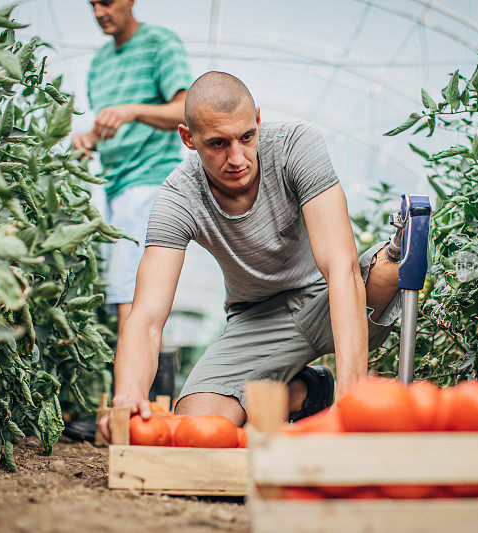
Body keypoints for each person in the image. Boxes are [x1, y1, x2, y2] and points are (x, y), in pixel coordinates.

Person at [100, 72, 401, 438]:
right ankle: (303, 392)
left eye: (246, 136)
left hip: (330, 298)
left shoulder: (296, 146)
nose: (237, 157)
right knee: (199, 424)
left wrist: (351, 401)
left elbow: (341, 268)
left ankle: (323, 393)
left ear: (258, 119)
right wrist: (129, 394)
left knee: (389, 267)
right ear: (188, 139)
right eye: (217, 144)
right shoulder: (178, 198)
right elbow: (146, 315)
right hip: (256, 320)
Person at [72, 0, 192, 340]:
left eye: (106, 2)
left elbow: (186, 109)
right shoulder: (99, 63)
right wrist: (88, 140)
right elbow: (108, 129)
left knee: (131, 297)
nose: (98, 12)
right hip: (113, 188)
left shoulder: (160, 43)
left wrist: (131, 111)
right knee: (120, 295)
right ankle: (132, 388)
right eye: (92, 4)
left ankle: (129, 393)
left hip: (150, 182)